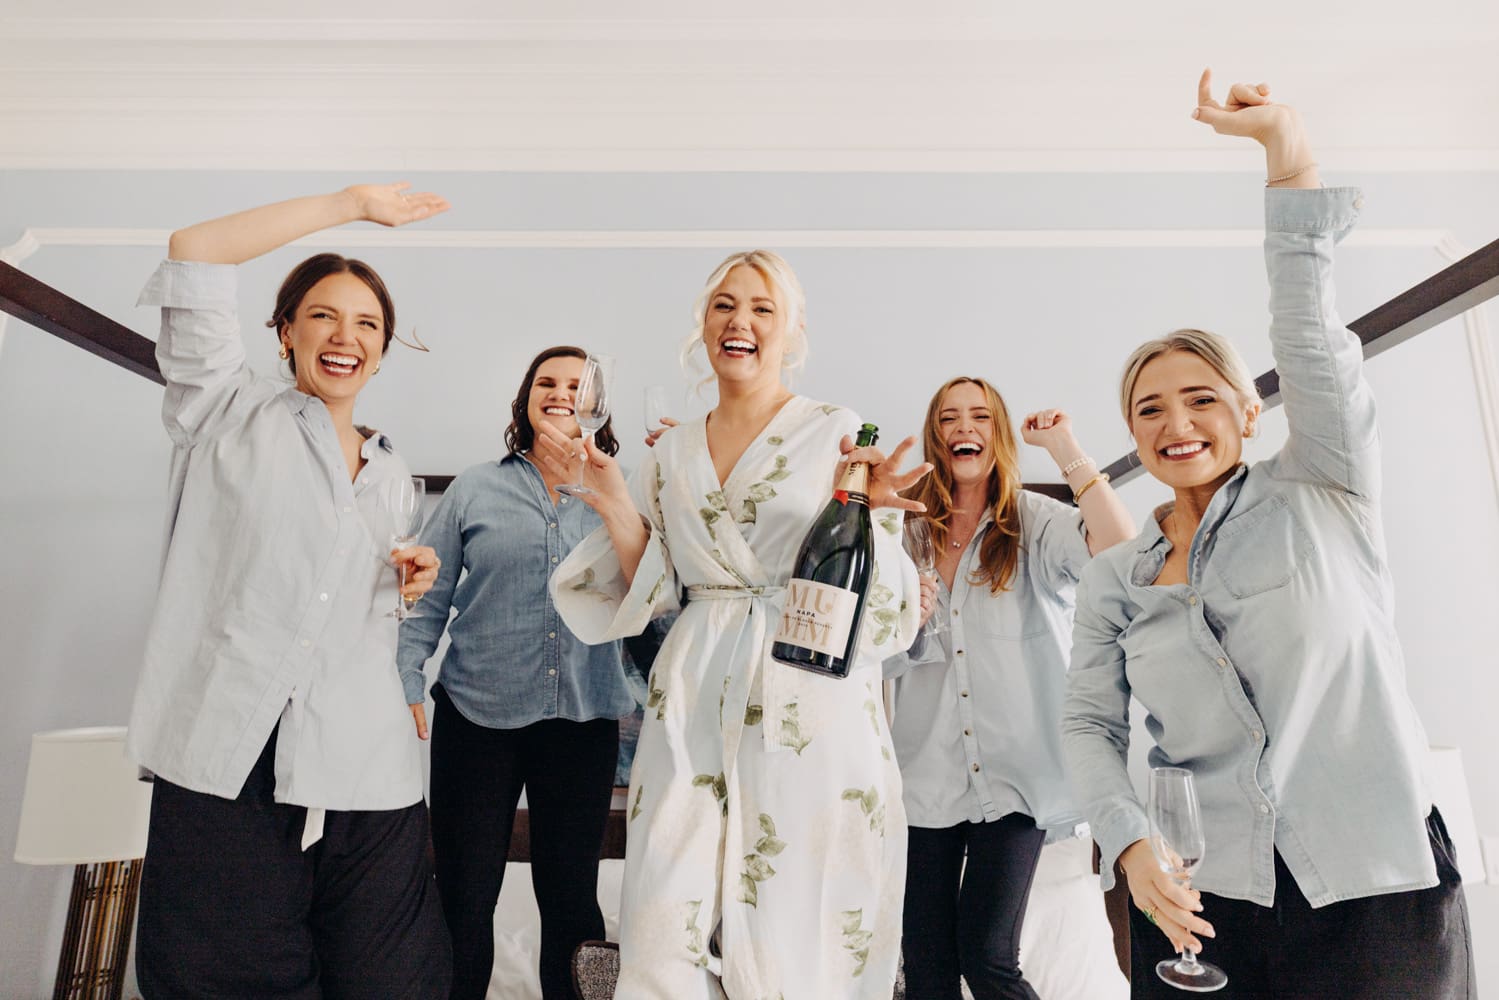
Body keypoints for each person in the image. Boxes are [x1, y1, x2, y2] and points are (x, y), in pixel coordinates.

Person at [1061, 73, 1476, 999]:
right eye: (1149, 409)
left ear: (1250, 412)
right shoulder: (1114, 580)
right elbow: (1087, 725)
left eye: (1201, 397)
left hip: (1374, 884)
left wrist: (1285, 155)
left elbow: (1311, 334)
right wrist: (1129, 849)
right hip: (1198, 903)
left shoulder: (1321, 489)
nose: (1176, 423)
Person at [536, 249, 930, 999]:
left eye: (760, 307)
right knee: (661, 918)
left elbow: (875, 601)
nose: (738, 321)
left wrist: (874, 514)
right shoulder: (672, 450)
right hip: (694, 682)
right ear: (703, 324)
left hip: (806, 687)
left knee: (799, 921)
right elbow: (652, 582)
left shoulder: (833, 430)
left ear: (791, 329)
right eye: (723, 304)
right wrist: (615, 495)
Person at [126, 182, 454, 998]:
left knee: (395, 982)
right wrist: (349, 205)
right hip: (226, 760)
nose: (346, 337)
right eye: (323, 316)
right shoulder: (225, 411)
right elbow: (195, 250)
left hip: (367, 769)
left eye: (367, 325)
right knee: (226, 979)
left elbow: (359, 620)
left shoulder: (393, 478)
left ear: (383, 351)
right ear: (284, 333)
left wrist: (411, 586)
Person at [397, 345, 638, 1000]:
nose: (560, 393)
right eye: (546, 382)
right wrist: (405, 677)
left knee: (571, 901)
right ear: (526, 398)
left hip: (583, 719)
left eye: (575, 384)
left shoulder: (621, 493)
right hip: (475, 717)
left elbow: (652, 599)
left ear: (597, 403)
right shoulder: (477, 487)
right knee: (464, 897)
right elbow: (428, 596)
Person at [886, 382, 1134, 1000]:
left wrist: (1065, 447)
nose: (961, 426)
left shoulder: (1033, 521)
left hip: (1017, 777)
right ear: (936, 437)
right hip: (926, 776)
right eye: (947, 417)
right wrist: (902, 621)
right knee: (926, 966)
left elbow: (1119, 552)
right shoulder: (904, 532)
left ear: (994, 432)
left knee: (987, 956)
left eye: (977, 415)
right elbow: (871, 651)